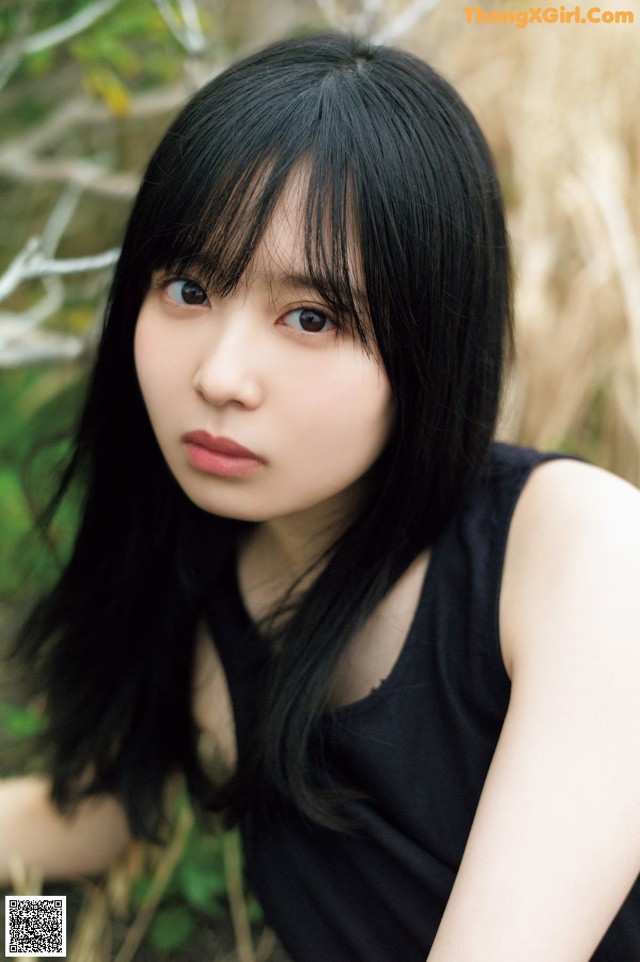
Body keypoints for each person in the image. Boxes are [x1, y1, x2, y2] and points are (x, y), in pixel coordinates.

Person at [1, 32, 639, 962]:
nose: (220, 375)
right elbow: (84, 827)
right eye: (187, 286)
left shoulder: (582, 557)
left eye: (311, 317)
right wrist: (32, 944)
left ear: (433, 345)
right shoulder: (202, 600)